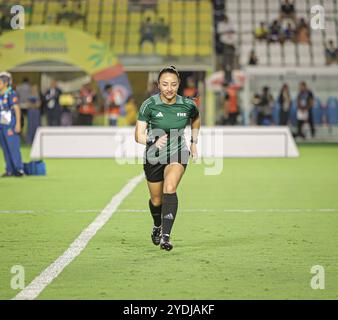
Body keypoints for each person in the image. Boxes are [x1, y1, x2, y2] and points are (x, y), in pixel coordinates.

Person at [135, 66, 201, 251]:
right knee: (156, 200)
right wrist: (152, 139)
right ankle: (157, 225)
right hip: (153, 157)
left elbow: (195, 118)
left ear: (179, 84)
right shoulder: (149, 105)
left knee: (170, 188)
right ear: (158, 85)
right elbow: (138, 135)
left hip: (178, 152)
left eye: (173, 84)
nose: (169, 88)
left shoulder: (188, 104)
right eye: (165, 84)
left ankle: (166, 236)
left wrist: (194, 142)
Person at [0, 71, 24, 177]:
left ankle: (19, 169)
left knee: (13, 146)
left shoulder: (11, 93)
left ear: (5, 83)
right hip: (1, 124)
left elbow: (17, 109)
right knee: (4, 147)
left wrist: (18, 124)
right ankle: (9, 169)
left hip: (10, 123)